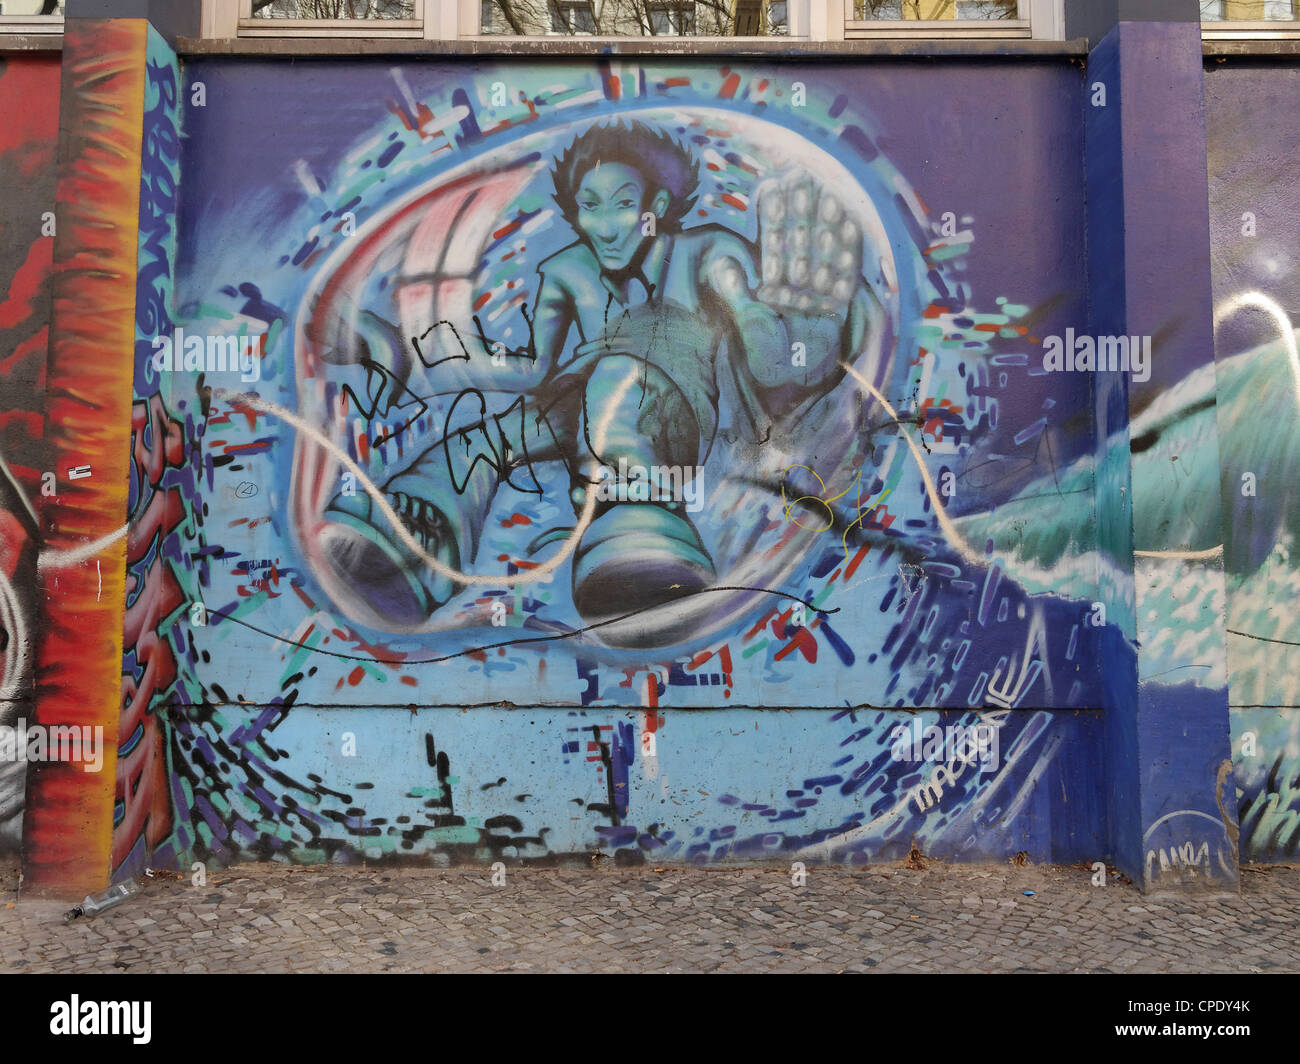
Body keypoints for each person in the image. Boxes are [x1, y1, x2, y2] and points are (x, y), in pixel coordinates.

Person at [325, 118, 884, 643]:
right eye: (589, 207)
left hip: (672, 401)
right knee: (487, 441)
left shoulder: (707, 252)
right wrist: (407, 352)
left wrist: (782, 333)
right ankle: (419, 539)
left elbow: (749, 321)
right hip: (581, 391)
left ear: (657, 206)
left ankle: (639, 519)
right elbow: (533, 369)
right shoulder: (567, 270)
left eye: (623, 205)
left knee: (618, 389)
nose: (606, 225)